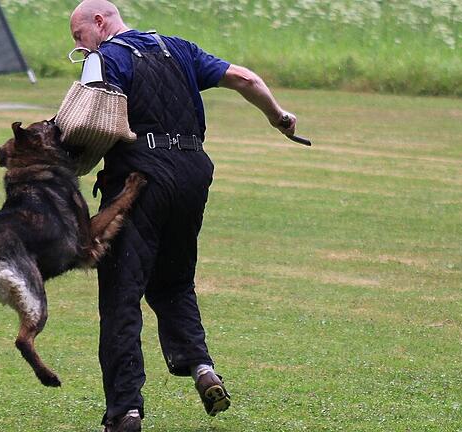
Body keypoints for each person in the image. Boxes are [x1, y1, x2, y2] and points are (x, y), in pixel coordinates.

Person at [69, 1, 299, 431]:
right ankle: (201, 367)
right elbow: (244, 78)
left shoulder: (105, 59)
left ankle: (125, 411)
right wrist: (279, 117)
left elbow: (88, 125)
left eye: (79, 39)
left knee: (121, 296)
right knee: (173, 281)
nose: (81, 50)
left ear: (99, 23)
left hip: (139, 179)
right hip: (193, 174)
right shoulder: (179, 48)